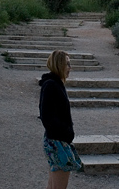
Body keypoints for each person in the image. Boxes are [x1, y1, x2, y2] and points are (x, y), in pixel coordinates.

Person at [39, 50, 81, 189]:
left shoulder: (54, 83)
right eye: (67, 64)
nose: (70, 68)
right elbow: (47, 116)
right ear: (59, 65)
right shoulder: (51, 85)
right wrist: (66, 132)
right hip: (58, 141)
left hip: (56, 140)